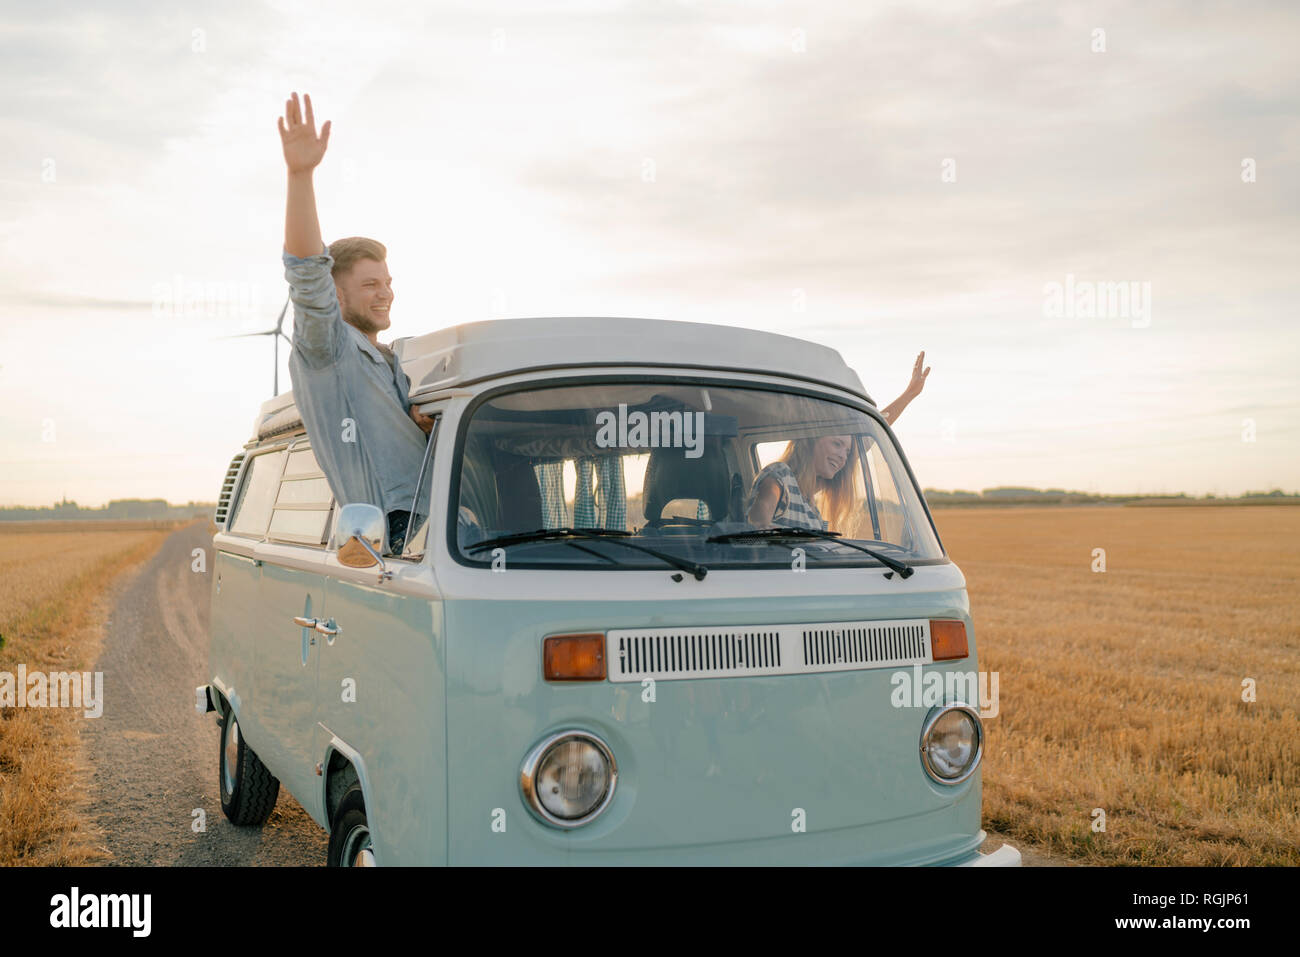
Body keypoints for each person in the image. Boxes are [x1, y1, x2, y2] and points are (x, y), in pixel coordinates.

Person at [277, 91, 434, 554]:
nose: (385, 293)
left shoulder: (393, 360)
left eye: (387, 282)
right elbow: (307, 275)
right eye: (370, 284)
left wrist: (425, 425)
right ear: (337, 293)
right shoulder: (329, 350)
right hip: (394, 537)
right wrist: (300, 175)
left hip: (442, 530)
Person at [745, 353, 931, 531]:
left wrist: (910, 394)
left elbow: (867, 437)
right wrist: (761, 526)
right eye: (837, 444)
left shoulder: (809, 503)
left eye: (847, 451)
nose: (843, 456)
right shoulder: (780, 476)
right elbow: (761, 513)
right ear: (811, 441)